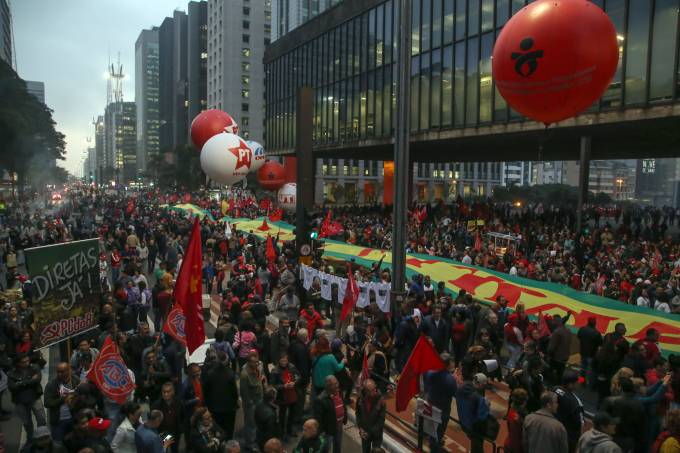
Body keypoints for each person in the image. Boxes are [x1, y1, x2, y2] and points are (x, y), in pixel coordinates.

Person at [8, 353, 47, 442]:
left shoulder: (35, 367)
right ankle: (31, 439)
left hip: (34, 397)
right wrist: (29, 381)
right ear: (18, 363)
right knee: (26, 422)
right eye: (24, 362)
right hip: (19, 401)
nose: (27, 363)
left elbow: (37, 380)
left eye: (27, 361)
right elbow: (12, 387)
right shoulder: (11, 373)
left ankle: (42, 436)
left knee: (41, 419)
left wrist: (20, 383)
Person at [423, 353, 457, 453]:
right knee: (439, 430)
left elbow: (426, 383)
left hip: (431, 403)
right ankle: (435, 448)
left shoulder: (430, 372)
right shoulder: (450, 379)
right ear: (447, 364)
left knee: (432, 427)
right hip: (443, 408)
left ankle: (433, 443)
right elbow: (453, 393)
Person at [601, 376, 645, 452]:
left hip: (611, 437)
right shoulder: (639, 405)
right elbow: (641, 428)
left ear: (620, 387)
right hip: (629, 439)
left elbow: (602, 419)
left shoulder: (610, 401)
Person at [202, 350, 239, 439]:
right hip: (229, 408)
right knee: (229, 430)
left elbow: (206, 391)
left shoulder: (210, 374)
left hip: (215, 409)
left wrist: (207, 405)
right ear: (226, 360)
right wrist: (235, 403)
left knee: (218, 431)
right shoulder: (230, 373)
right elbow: (234, 392)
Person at [456, 371, 490, 453]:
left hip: (463, 421)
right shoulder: (478, 398)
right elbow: (482, 417)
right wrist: (486, 405)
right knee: (478, 447)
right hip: (474, 427)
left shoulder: (462, 388)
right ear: (481, 384)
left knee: (475, 445)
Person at [43, 362, 77, 441]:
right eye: (58, 372)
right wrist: (63, 399)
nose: (59, 374)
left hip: (73, 419)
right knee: (58, 443)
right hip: (58, 421)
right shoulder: (51, 385)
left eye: (62, 371)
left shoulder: (75, 380)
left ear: (68, 371)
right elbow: (47, 403)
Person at [270, 354, 300, 440]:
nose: (284, 363)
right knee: (282, 416)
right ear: (279, 361)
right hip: (282, 397)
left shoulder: (292, 367)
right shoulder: (275, 371)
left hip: (292, 395)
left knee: (292, 414)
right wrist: (283, 386)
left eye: (285, 361)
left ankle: (289, 430)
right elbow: (272, 385)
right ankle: (281, 433)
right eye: (282, 361)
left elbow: (298, 376)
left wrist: (295, 382)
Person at [313, 375, 346, 453]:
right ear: (328, 386)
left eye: (337, 383)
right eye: (334, 384)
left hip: (339, 425)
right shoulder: (320, 399)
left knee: (337, 445)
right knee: (325, 448)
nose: (337, 385)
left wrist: (345, 417)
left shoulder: (339, 392)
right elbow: (318, 419)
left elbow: (343, 405)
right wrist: (321, 431)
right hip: (328, 430)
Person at [554, 370, 585, 452]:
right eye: (577, 381)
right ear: (571, 384)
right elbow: (580, 425)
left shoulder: (555, 389)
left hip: (553, 431)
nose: (579, 383)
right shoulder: (576, 403)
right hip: (568, 438)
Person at [241, 350, 265, 452]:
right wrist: (250, 405)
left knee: (258, 420)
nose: (256, 364)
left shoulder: (259, 366)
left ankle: (256, 438)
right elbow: (244, 393)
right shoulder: (244, 374)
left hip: (260, 397)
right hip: (251, 402)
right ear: (248, 362)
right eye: (253, 363)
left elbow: (261, 375)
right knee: (250, 423)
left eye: (257, 362)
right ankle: (250, 443)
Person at [150, 382, 183, 453]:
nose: (166, 394)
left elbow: (183, 415)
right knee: (163, 450)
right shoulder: (156, 405)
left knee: (175, 449)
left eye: (168, 392)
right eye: (164, 392)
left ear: (173, 392)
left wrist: (181, 428)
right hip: (163, 432)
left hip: (175, 431)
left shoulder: (178, 402)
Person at [355, 379, 386, 453]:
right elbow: (358, 414)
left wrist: (370, 432)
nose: (375, 391)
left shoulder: (381, 400)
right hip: (365, 434)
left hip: (376, 434)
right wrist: (360, 428)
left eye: (375, 388)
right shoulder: (360, 399)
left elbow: (381, 420)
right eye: (371, 390)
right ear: (366, 391)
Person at [577, 317, 603, 386]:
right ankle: (589, 384)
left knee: (582, 368)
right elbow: (601, 343)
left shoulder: (582, 329)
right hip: (592, 354)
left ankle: (581, 381)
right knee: (591, 370)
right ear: (595, 323)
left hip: (583, 352)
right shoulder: (596, 333)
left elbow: (578, 336)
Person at [505, 388, 529, 453]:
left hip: (509, 443)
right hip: (516, 448)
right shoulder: (519, 418)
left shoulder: (511, 410)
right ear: (524, 402)